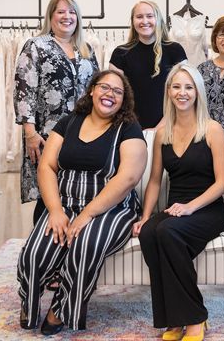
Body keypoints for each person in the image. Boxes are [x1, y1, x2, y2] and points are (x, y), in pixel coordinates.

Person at [16, 70, 147, 335]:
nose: (109, 94)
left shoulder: (129, 127)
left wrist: (87, 214)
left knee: (85, 244)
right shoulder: (69, 122)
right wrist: (54, 210)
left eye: (117, 91)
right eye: (104, 87)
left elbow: (129, 177)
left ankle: (62, 308)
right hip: (65, 204)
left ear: (124, 100)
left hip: (111, 208)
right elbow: (47, 167)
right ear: (92, 90)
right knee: (35, 252)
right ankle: (29, 299)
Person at [133, 63, 224, 341]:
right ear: (169, 92)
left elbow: (222, 183)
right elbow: (154, 181)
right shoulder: (162, 133)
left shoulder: (212, 130)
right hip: (176, 210)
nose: (182, 92)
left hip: (208, 209)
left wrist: (190, 207)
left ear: (197, 92)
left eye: (188, 87)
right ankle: (174, 320)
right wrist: (145, 216)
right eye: (176, 87)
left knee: (167, 231)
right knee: (151, 232)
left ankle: (196, 317)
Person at [14, 0, 99, 224]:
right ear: (51, 16)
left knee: (75, 189)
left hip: (82, 133)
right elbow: (24, 90)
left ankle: (70, 241)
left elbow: (98, 89)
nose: (67, 17)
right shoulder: (36, 46)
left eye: (72, 12)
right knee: (47, 192)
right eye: (60, 11)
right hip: (46, 134)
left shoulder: (86, 49)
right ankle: (42, 246)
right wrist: (30, 134)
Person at [110, 0, 187, 129]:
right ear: (133, 21)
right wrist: (132, 127)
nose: (144, 21)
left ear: (158, 19)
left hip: (170, 125)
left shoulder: (175, 50)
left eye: (150, 16)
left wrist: (158, 128)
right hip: (130, 126)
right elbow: (115, 96)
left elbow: (183, 94)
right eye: (139, 17)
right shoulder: (120, 54)